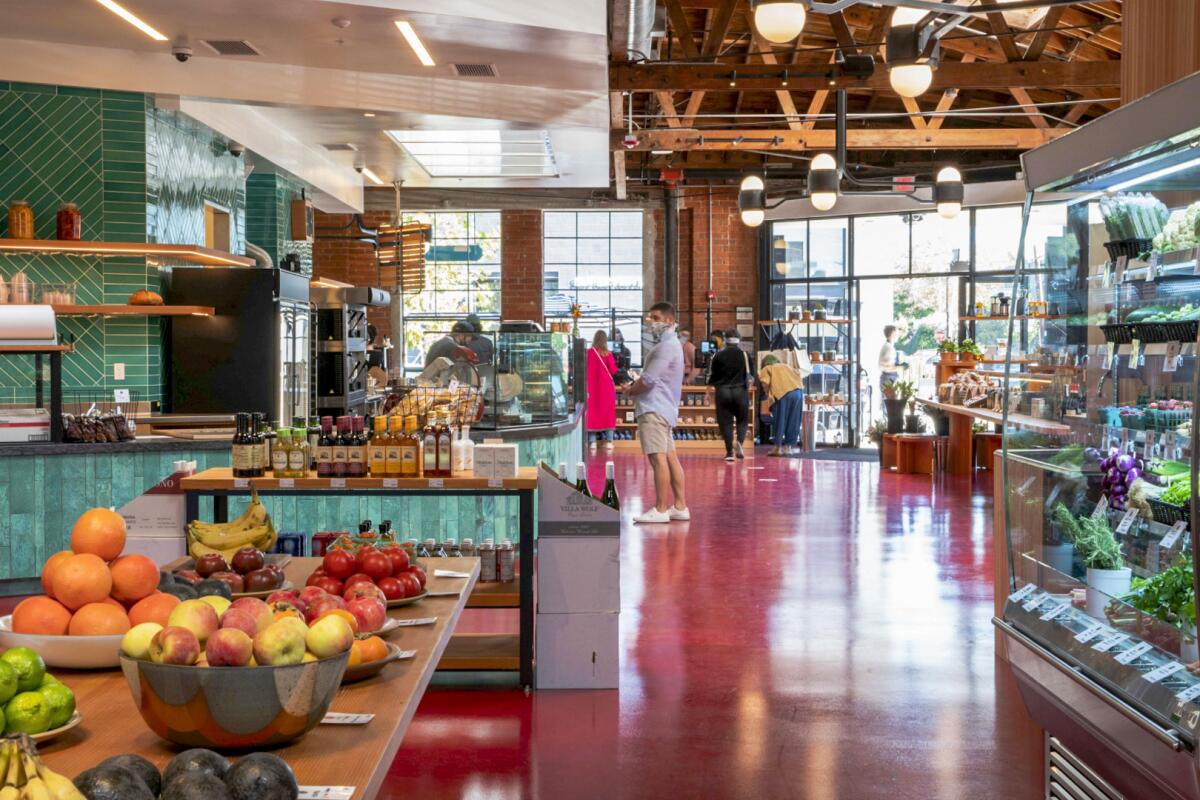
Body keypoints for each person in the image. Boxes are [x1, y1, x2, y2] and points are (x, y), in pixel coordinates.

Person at [622, 301, 688, 524]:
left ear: (669, 320)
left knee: (657, 459)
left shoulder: (665, 347)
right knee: (670, 457)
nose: (651, 322)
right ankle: (680, 506)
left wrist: (631, 390)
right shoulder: (671, 345)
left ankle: (660, 509)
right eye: (650, 318)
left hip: (654, 408)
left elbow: (649, 380)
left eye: (656, 318)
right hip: (664, 408)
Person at [707, 328, 751, 462]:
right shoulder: (745, 355)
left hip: (723, 392)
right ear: (739, 340)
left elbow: (712, 377)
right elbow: (750, 376)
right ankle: (739, 442)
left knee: (725, 422)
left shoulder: (717, 356)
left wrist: (708, 393)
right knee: (742, 420)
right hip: (740, 391)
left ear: (725, 340)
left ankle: (729, 452)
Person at [758, 355, 805, 456]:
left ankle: (777, 448)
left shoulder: (767, 368)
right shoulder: (787, 366)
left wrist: (768, 395)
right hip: (798, 392)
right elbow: (798, 375)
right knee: (794, 420)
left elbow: (765, 383)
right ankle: (788, 447)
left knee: (780, 419)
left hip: (783, 393)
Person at [586, 329, 618, 452]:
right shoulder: (607, 354)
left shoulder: (588, 353)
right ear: (605, 340)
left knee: (592, 412)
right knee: (608, 413)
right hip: (606, 388)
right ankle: (609, 441)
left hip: (591, 388)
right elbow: (614, 370)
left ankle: (592, 442)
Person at [878, 325, 905, 410]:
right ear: (892, 334)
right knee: (890, 407)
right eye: (896, 333)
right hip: (888, 379)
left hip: (887, 378)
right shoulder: (889, 348)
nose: (897, 335)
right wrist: (900, 367)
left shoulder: (888, 346)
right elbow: (887, 366)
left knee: (889, 406)